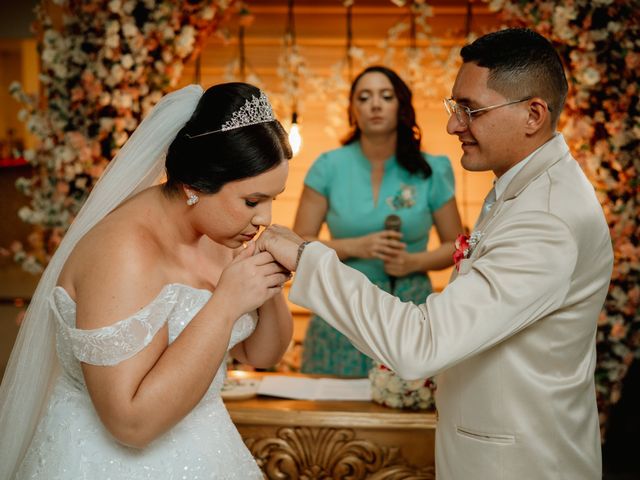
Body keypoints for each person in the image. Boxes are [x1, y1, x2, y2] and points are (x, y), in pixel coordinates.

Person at [257, 28, 613, 479]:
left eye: (471, 110)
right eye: (454, 107)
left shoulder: (546, 219)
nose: (453, 125)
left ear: (533, 114)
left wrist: (308, 256)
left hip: (519, 464)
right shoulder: (523, 189)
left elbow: (422, 345)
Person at [0, 83, 293, 479]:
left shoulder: (219, 231)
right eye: (253, 201)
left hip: (209, 447)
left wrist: (265, 277)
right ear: (194, 186)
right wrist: (225, 304)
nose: (265, 219)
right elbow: (130, 424)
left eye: (273, 199)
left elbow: (259, 356)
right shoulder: (122, 252)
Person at [295, 65, 463, 377]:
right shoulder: (327, 167)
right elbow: (298, 243)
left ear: (401, 106)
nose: (375, 104)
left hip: (408, 310)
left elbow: (457, 247)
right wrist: (355, 246)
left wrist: (413, 262)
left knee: (405, 404)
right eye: (364, 97)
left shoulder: (432, 169)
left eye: (386, 96)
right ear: (352, 109)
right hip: (341, 306)